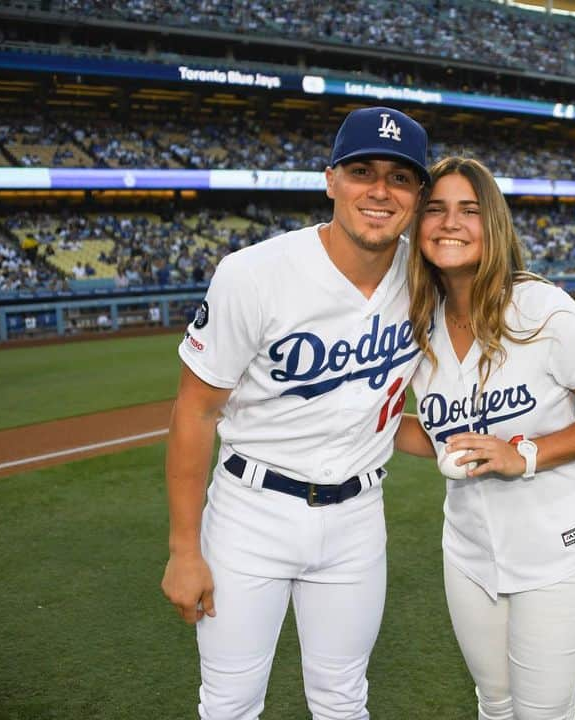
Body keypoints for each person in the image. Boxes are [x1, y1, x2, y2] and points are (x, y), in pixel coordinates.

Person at [160, 106, 430, 720]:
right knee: (229, 705)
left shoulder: (426, 277)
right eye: (362, 170)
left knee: (343, 701)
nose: (380, 191)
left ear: (417, 194)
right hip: (250, 514)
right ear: (330, 178)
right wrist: (183, 549)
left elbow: (398, 412)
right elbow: (195, 413)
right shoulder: (254, 274)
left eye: (400, 177)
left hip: (359, 518)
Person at [394, 157, 575, 720]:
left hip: (558, 550)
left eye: (469, 210)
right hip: (469, 554)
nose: (449, 223)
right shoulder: (416, 321)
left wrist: (522, 454)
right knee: (494, 705)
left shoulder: (543, 309)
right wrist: (362, 423)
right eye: (435, 209)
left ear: (494, 225)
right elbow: (439, 437)